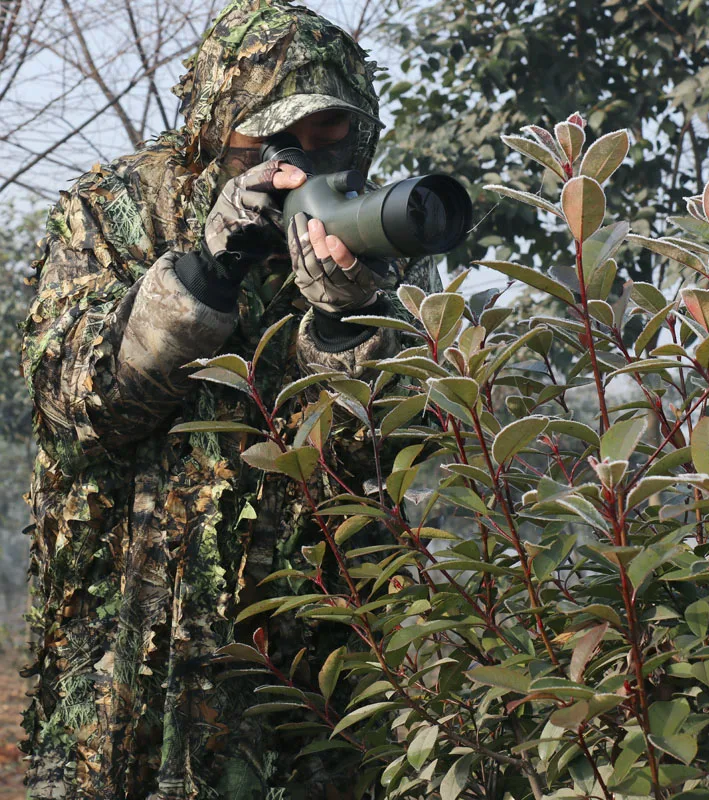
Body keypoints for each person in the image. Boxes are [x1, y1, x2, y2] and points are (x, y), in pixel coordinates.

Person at [20, 1, 440, 798]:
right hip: (129, 649)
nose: (299, 165)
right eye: (269, 140)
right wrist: (203, 276)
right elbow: (72, 408)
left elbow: (398, 453)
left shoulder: (378, 238)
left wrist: (345, 321)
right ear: (213, 129)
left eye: (327, 138)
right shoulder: (115, 212)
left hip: (315, 660)